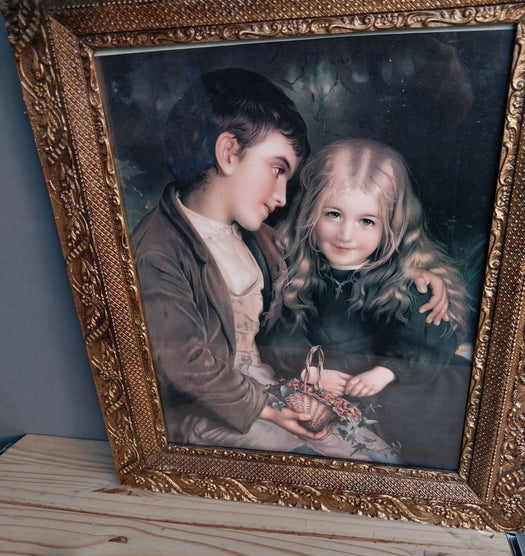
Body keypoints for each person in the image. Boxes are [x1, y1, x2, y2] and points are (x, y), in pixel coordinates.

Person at [132, 69, 448, 462]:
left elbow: (328, 258)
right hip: (216, 411)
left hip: (276, 389)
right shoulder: (159, 249)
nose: (282, 197)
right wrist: (275, 409)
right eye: (277, 170)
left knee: (380, 458)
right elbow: (186, 365)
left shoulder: (253, 232)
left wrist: (420, 271)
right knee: (332, 466)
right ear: (228, 152)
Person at [263, 138, 471, 469]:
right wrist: (308, 369)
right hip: (328, 383)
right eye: (333, 214)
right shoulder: (298, 270)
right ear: (310, 213)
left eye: (366, 221)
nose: (346, 235)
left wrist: (388, 370)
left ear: (390, 227)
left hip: (400, 387)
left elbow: (428, 335)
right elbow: (280, 329)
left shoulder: (409, 278)